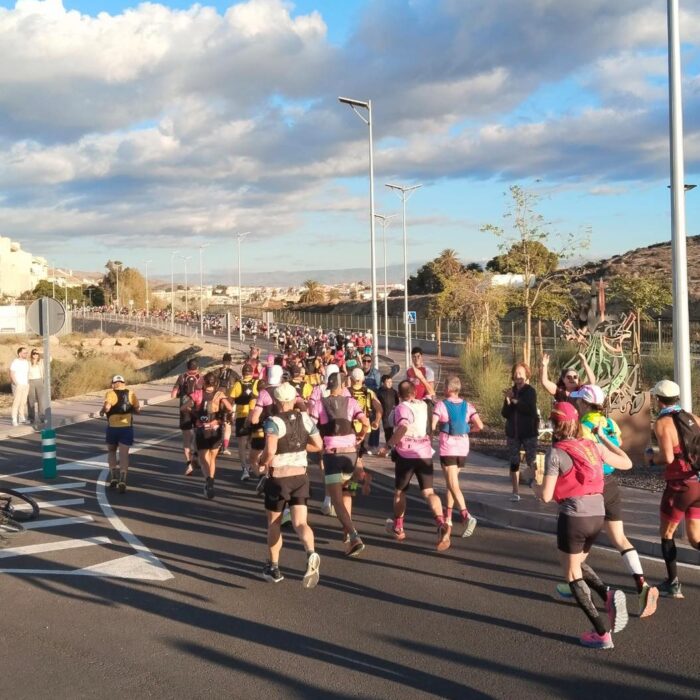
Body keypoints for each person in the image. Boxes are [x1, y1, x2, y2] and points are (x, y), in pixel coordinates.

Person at [530, 401, 632, 649]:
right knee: (576, 563)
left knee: (572, 574)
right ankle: (607, 595)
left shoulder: (555, 453)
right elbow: (627, 463)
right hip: (598, 514)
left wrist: (532, 482)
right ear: (576, 423)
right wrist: (602, 438)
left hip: (574, 516)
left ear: (554, 425)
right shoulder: (592, 446)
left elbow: (546, 496)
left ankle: (601, 633)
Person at [564, 384, 658, 617]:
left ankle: (575, 582)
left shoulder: (581, 427)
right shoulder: (610, 423)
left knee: (580, 540)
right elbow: (619, 446)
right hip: (611, 484)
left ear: (585, 403)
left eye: (579, 400)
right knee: (619, 538)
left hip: (591, 486)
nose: (576, 403)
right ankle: (642, 586)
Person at [259, 382, 323, 587]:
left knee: (274, 523)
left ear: (276, 401)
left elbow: (270, 450)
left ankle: (274, 566)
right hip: (301, 476)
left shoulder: (273, 422)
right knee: (301, 523)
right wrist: (301, 447)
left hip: (279, 478)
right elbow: (318, 445)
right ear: (294, 399)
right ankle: (311, 552)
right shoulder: (305, 418)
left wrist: (261, 462)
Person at [380, 380, 451, 552]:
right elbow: (431, 393)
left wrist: (388, 446)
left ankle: (399, 527)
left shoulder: (401, 408)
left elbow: (402, 427)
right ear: (414, 393)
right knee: (429, 492)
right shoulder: (424, 405)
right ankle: (441, 522)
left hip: (406, 454)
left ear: (399, 395)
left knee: (400, 492)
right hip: (425, 453)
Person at [648, 379, 700, 599]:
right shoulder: (694, 418)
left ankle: (673, 583)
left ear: (658, 399)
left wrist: (651, 459)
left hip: (679, 486)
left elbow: (668, 457)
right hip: (698, 483)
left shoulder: (662, 423)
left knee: (666, 534)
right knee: (695, 539)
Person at [316, 371, 370, 557]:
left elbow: (311, 424)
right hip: (351, 456)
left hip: (332, 455)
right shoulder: (351, 402)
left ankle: (354, 536)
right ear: (342, 386)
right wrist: (361, 435)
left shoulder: (320, 403)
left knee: (336, 500)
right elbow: (365, 422)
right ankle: (346, 529)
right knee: (348, 492)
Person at [432, 376, 483, 537]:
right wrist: (468, 429)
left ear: (448, 389)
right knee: (451, 483)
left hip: (448, 448)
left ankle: (466, 515)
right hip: (463, 448)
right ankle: (448, 518)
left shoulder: (441, 405)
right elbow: (480, 425)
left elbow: (432, 425)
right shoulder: (467, 405)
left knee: (453, 484)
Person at [188, 372, 233, 499]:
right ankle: (211, 480)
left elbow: (185, 407)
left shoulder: (198, 394)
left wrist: (195, 415)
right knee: (212, 458)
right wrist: (219, 419)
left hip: (202, 429)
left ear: (204, 382)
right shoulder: (219, 394)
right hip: (215, 429)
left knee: (203, 458)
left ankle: (208, 480)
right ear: (216, 382)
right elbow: (230, 408)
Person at [501, 362, 538, 502]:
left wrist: (514, 400)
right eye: (516, 373)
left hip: (529, 432)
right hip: (513, 433)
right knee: (514, 461)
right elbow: (505, 413)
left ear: (526, 375)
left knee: (531, 460)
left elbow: (529, 410)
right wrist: (508, 400)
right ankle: (515, 491)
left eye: (521, 373)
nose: (518, 376)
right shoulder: (510, 391)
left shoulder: (530, 391)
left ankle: (536, 489)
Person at [99, 375, 140, 493]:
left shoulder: (110, 393)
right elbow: (138, 410)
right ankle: (123, 478)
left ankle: (113, 476)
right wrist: (131, 410)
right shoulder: (131, 393)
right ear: (124, 383)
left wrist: (102, 411)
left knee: (111, 451)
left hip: (112, 428)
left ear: (113, 384)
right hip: (126, 428)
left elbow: (107, 407)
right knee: (124, 454)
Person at [171, 359, 203, 476]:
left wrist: (181, 394)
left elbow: (173, 394)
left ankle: (189, 463)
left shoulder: (181, 377)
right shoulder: (201, 377)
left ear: (187, 367)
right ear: (197, 367)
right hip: (197, 409)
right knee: (199, 435)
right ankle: (196, 456)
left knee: (186, 439)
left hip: (184, 409)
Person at [230, 364, 259, 482]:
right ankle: (253, 464)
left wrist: (230, 413)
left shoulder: (237, 384)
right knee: (254, 442)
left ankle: (245, 469)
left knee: (242, 444)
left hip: (241, 416)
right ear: (252, 373)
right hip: (255, 416)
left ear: (242, 373)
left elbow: (231, 399)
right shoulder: (257, 383)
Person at [349, 367, 382, 460]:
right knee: (360, 452)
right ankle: (359, 461)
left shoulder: (345, 391)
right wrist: (377, 421)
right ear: (363, 379)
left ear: (351, 379)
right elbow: (379, 408)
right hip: (365, 426)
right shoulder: (369, 392)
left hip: (350, 425)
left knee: (351, 451)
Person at [216, 352, 239, 455]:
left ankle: (216, 445)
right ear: (230, 362)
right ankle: (225, 447)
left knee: (217, 423)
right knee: (227, 425)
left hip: (216, 401)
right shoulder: (234, 374)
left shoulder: (216, 372)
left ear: (222, 361)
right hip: (229, 402)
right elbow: (239, 386)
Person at [10, 346, 30, 426]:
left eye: (26, 353)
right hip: (18, 385)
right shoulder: (15, 362)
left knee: (23, 402)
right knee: (16, 402)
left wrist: (27, 383)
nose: (26, 354)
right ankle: (14, 419)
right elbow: (11, 373)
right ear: (19, 353)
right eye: (24, 353)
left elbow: (27, 373)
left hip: (25, 385)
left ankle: (21, 418)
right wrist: (16, 384)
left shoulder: (26, 362)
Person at [377, 374, 399, 446]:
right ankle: (389, 445)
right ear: (383, 383)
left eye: (391, 382)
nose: (390, 383)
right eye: (388, 382)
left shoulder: (394, 392)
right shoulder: (379, 392)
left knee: (393, 430)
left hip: (393, 414)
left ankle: (393, 444)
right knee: (387, 431)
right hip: (385, 415)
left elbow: (397, 402)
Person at [26, 349, 46, 428]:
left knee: (41, 400)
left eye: (36, 353)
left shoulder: (41, 362)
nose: (35, 355)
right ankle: (31, 418)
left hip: (39, 381)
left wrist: (41, 352)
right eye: (34, 353)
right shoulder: (28, 363)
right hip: (30, 381)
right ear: (31, 354)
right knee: (30, 400)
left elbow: (50, 358)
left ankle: (42, 417)